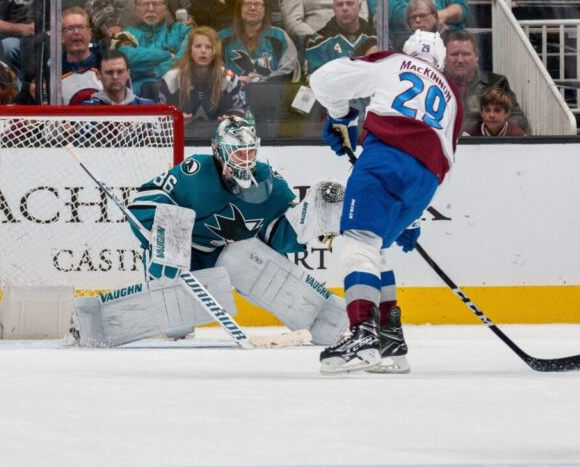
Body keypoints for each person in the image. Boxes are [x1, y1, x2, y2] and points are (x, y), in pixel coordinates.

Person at [72, 116, 349, 348]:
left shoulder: (269, 183)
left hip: (227, 258)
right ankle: (93, 322)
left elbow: (276, 237)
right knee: (177, 325)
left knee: (243, 253)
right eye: (239, 153)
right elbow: (144, 200)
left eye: (251, 152)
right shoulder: (196, 172)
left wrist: (307, 223)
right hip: (182, 256)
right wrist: (162, 227)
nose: (246, 160)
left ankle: (325, 318)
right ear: (219, 150)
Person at [309, 29, 464, 374]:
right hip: (425, 181)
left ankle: (363, 332)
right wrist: (410, 216)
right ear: (439, 63)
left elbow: (323, 79)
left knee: (357, 244)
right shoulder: (453, 96)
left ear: (407, 51)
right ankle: (390, 342)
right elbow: (446, 161)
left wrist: (340, 117)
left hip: (385, 160)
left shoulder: (393, 61)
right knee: (373, 250)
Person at [443, 30, 529, 132]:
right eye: (454, 54)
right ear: (445, 57)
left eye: (466, 54)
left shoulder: (496, 83)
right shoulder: (434, 84)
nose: (460, 60)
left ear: (476, 56)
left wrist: (487, 128)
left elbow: (519, 120)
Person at [159, 26, 246, 122]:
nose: (203, 51)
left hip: (220, 134)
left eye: (209, 47)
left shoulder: (230, 79)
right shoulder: (171, 78)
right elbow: (160, 117)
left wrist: (231, 120)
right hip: (181, 134)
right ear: (190, 51)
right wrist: (175, 119)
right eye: (198, 46)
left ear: (215, 52)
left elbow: (240, 114)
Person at [117, 0, 191, 93]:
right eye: (145, 4)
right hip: (137, 96)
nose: (150, 9)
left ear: (165, 9)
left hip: (175, 94)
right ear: (137, 10)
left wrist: (156, 71)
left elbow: (184, 59)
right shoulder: (125, 34)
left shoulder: (181, 31)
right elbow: (127, 60)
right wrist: (167, 55)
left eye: (156, 4)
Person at [219, 0, 298, 84]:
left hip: (270, 93)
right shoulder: (223, 37)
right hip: (233, 94)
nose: (252, 8)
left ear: (265, 10)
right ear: (240, 9)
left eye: (257, 4)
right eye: (247, 4)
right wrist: (235, 80)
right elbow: (216, 70)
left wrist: (263, 81)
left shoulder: (279, 36)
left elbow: (288, 68)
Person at [303, 0, 377, 75]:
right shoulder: (318, 42)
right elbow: (316, 82)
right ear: (333, 9)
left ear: (359, 7)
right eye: (340, 4)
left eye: (350, 3)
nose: (345, 8)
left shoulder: (377, 37)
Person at [60, 7, 103, 105]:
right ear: (61, 36)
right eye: (70, 28)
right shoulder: (54, 70)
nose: (76, 32)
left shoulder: (105, 64)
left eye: (81, 27)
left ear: (90, 34)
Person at [81, 50, 155, 105]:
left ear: (128, 74)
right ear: (98, 75)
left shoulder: (148, 106)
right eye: (109, 72)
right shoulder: (85, 109)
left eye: (120, 72)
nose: (115, 77)